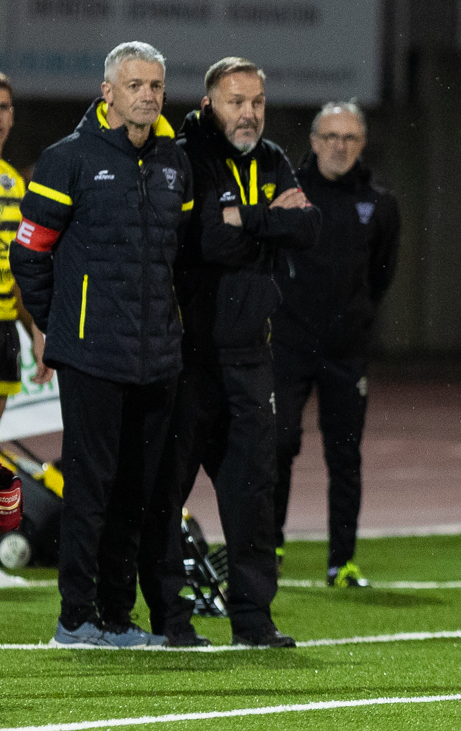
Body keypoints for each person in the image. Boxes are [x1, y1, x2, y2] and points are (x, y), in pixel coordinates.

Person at [10, 42, 193, 645]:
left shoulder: (174, 164)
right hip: (92, 353)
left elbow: (182, 258)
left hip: (157, 354)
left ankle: (116, 616)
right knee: (92, 487)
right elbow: (29, 253)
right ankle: (75, 617)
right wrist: (59, 323)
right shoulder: (68, 160)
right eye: (136, 85)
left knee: (138, 492)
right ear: (108, 92)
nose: (148, 95)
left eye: (157, 85)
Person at [141, 57, 321, 648]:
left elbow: (310, 227)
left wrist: (245, 217)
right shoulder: (188, 154)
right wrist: (268, 223)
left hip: (249, 356)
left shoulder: (270, 157)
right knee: (167, 492)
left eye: (258, 102)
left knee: (252, 493)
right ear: (209, 103)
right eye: (236, 101)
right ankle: (172, 621)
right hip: (189, 357)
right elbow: (207, 240)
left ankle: (252, 618)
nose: (249, 112)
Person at [273, 100, 400, 588]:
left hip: (346, 351)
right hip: (287, 343)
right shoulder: (287, 194)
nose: (339, 146)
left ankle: (341, 561)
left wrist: (354, 317)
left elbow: (381, 275)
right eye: (330, 137)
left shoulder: (379, 202)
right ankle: (271, 546)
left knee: (345, 455)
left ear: (362, 144)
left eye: (349, 138)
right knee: (279, 444)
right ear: (313, 141)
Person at [0, 70, 52, 587]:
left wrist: (35, 326)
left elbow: (24, 266)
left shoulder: (14, 184)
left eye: (5, 107)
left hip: (1, 332)